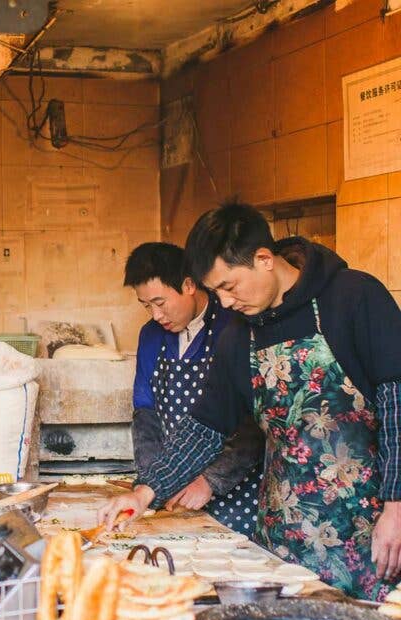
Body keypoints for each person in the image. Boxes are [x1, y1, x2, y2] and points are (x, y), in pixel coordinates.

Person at [101, 202, 401, 599]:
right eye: (216, 291)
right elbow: (205, 428)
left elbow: (396, 404)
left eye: (229, 286)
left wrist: (397, 507)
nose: (224, 303)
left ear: (264, 259)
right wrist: (144, 492)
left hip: (373, 532)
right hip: (281, 540)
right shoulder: (240, 336)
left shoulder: (354, 297)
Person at [126, 242, 264, 535]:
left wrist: (210, 480)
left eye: (160, 303)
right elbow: (146, 413)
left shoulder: (233, 328)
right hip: (172, 485)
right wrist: (152, 484)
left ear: (188, 285)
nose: (155, 315)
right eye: (146, 305)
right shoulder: (151, 336)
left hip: (233, 490)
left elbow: (252, 424)